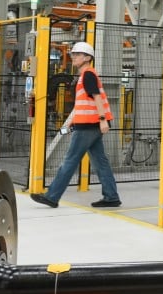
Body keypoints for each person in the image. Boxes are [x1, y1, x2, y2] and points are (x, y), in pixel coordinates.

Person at [31, 42, 122, 209]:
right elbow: (85, 104)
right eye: (73, 54)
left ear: (87, 58)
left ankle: (52, 197)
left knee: (70, 161)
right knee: (100, 162)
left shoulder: (88, 75)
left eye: (77, 54)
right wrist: (73, 123)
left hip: (89, 125)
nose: (73, 57)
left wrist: (103, 119)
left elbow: (97, 97)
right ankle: (111, 197)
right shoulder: (85, 75)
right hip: (89, 124)